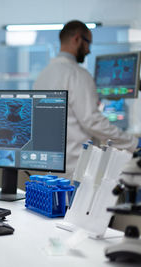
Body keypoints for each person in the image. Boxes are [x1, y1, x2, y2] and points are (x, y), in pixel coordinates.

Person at [33, 20, 141, 179]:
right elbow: (93, 121)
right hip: (78, 167)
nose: (89, 50)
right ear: (77, 39)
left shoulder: (43, 75)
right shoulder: (78, 74)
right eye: (88, 43)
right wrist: (133, 143)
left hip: (52, 167)